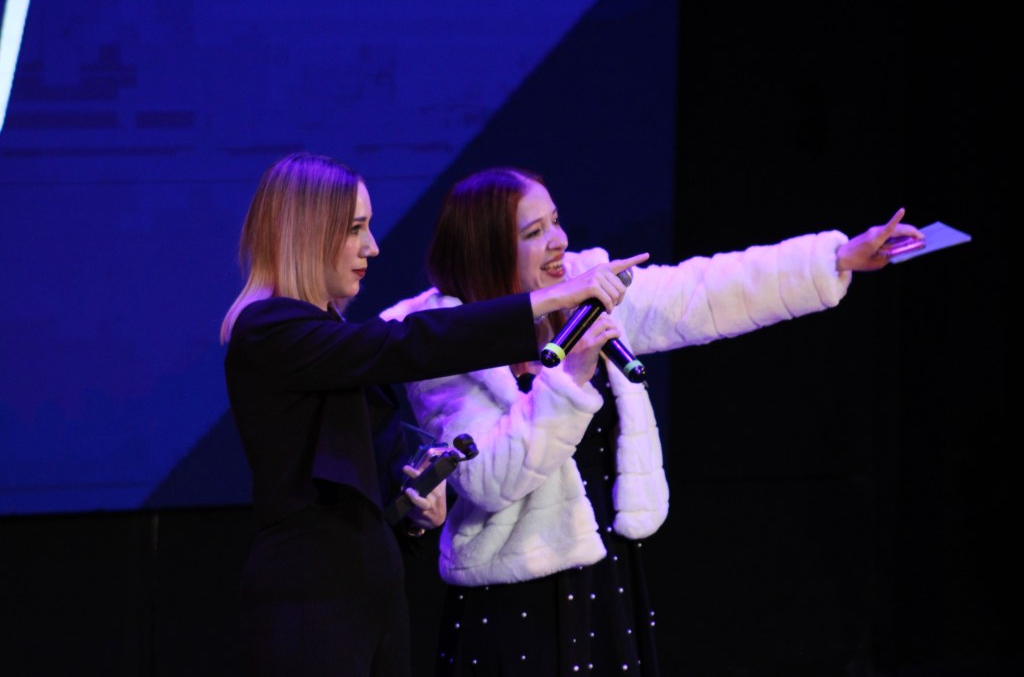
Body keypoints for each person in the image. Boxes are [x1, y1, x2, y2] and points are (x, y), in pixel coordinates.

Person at [380, 166, 924, 676]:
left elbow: (704, 291)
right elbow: (489, 480)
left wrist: (836, 258)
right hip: (513, 604)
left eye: (556, 221)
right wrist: (567, 380)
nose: (559, 241)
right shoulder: (444, 343)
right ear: (487, 251)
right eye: (534, 233)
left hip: (606, 578)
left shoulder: (590, 288)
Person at [220, 153, 647, 677]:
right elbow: (409, 342)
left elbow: (361, 481)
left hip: (371, 593)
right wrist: (549, 298)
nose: (372, 247)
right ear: (307, 233)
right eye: (355, 229)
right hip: (308, 599)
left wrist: (415, 508)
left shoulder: (329, 338)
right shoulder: (268, 328)